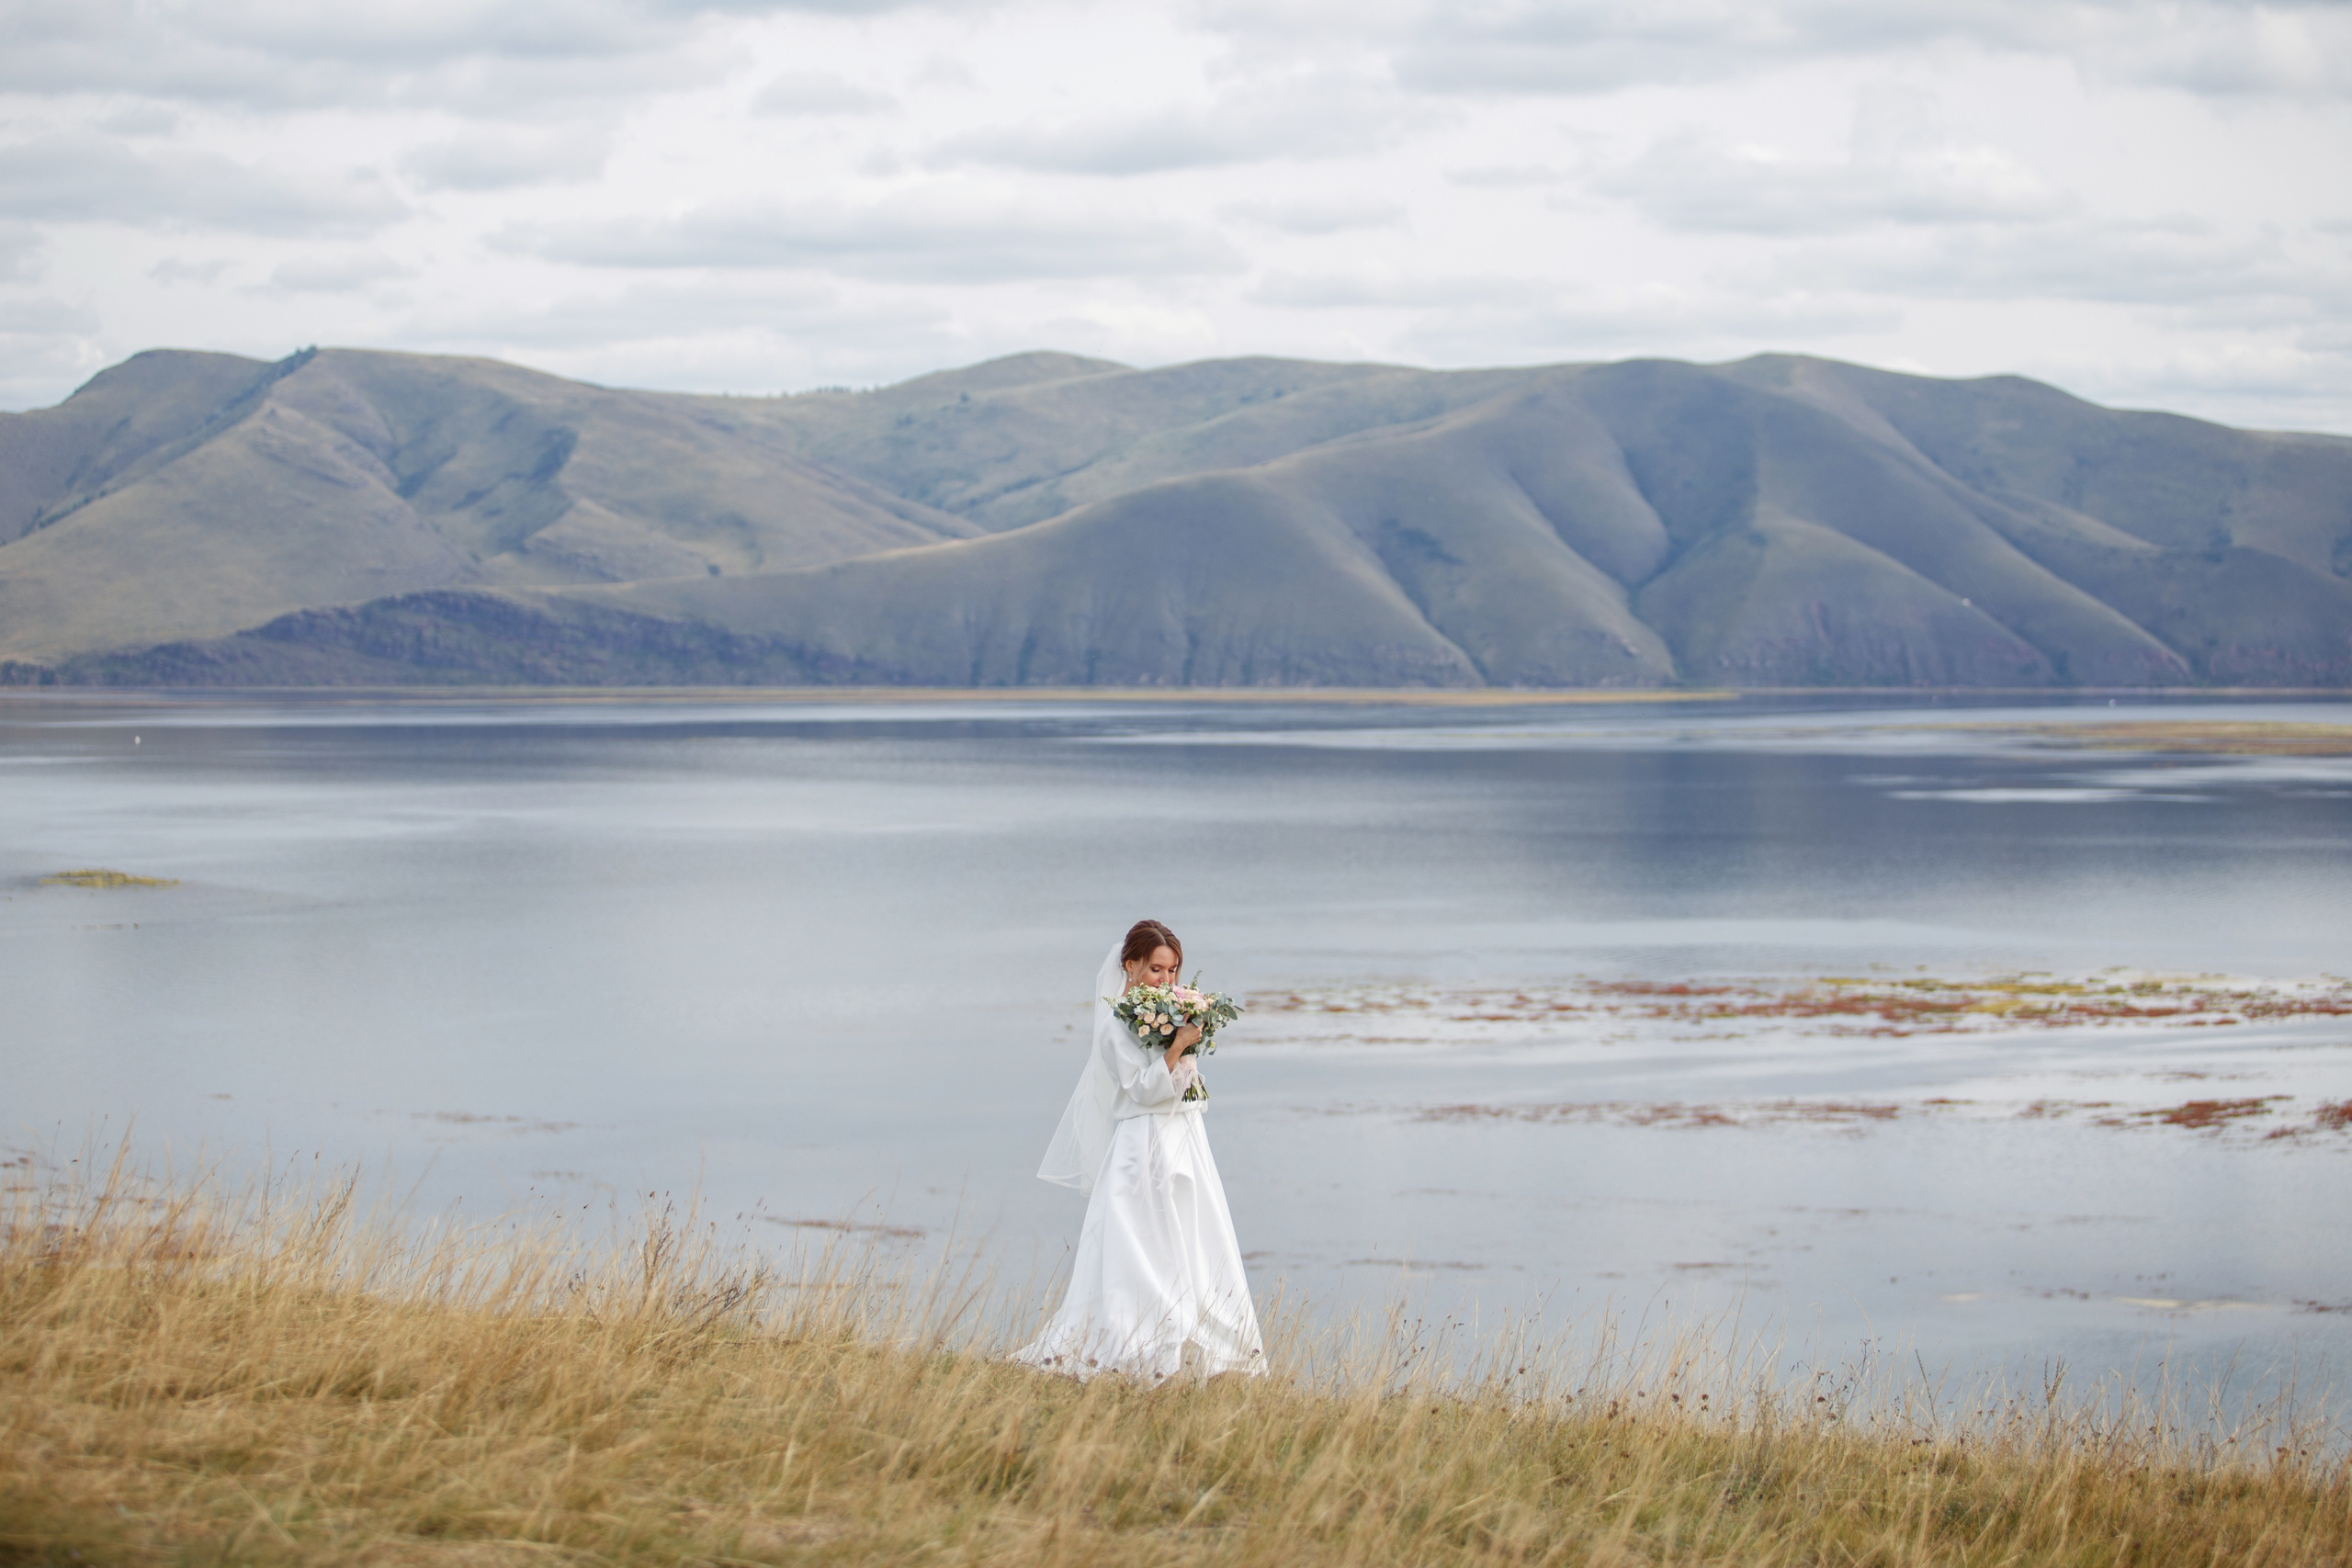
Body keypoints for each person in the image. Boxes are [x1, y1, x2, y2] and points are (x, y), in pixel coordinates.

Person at [1015, 919, 1266, 1381]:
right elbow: (1141, 1090)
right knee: (1141, 1241)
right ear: (1130, 966)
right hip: (1142, 1142)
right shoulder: (1116, 1026)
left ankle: (1204, 1345)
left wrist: (1186, 1049)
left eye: (1172, 971)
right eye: (1156, 969)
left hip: (1184, 1137)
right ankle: (1138, 1345)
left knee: (1195, 1233)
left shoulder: (1169, 1013)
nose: (1166, 980)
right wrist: (1177, 1046)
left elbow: (1187, 1087)